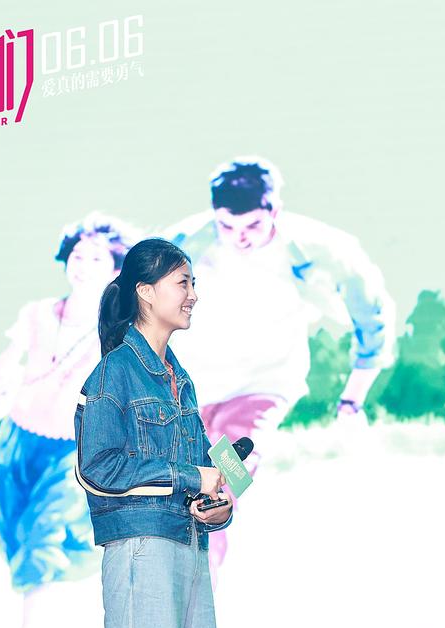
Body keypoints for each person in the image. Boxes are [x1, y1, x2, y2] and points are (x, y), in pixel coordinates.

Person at [165, 157, 395, 576]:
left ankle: (204, 575)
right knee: (181, 486)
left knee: (228, 473)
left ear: (275, 210)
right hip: (189, 389)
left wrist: (353, 396)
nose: (240, 237)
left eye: (252, 225)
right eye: (227, 226)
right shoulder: (182, 242)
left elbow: (372, 313)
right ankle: (183, 570)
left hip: (262, 384)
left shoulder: (323, 249)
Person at [0, 212, 134, 628]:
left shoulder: (121, 329)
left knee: (44, 531)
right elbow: (9, 360)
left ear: (116, 268)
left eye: (96, 258)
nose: (84, 265)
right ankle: (35, 619)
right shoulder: (37, 313)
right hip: (19, 437)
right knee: (9, 525)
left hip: (72, 448)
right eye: (78, 255)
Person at [75, 238, 232, 628]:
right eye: (183, 283)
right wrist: (190, 476)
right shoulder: (113, 373)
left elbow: (203, 468)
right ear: (145, 291)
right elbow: (96, 467)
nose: (193, 295)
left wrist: (218, 506)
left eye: (193, 284)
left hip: (188, 546)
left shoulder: (180, 379)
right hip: (142, 551)